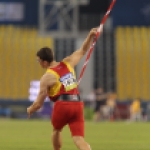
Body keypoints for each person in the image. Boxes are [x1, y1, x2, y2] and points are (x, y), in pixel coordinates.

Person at [27, 28, 99, 150]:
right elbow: (82, 51)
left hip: (63, 105)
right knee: (78, 138)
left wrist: (30, 109)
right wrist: (90, 35)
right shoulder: (68, 62)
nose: (39, 63)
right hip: (77, 103)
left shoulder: (47, 77)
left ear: (44, 62)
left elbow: (39, 103)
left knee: (56, 130)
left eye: (39, 61)